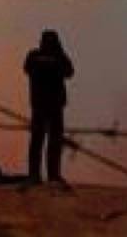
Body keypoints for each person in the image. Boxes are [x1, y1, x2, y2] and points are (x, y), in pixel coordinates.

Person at [23, 30, 74, 185]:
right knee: (49, 141)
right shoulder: (54, 57)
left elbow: (69, 72)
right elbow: (69, 71)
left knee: (42, 141)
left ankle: (40, 175)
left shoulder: (35, 56)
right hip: (50, 104)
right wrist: (55, 59)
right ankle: (48, 175)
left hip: (44, 104)